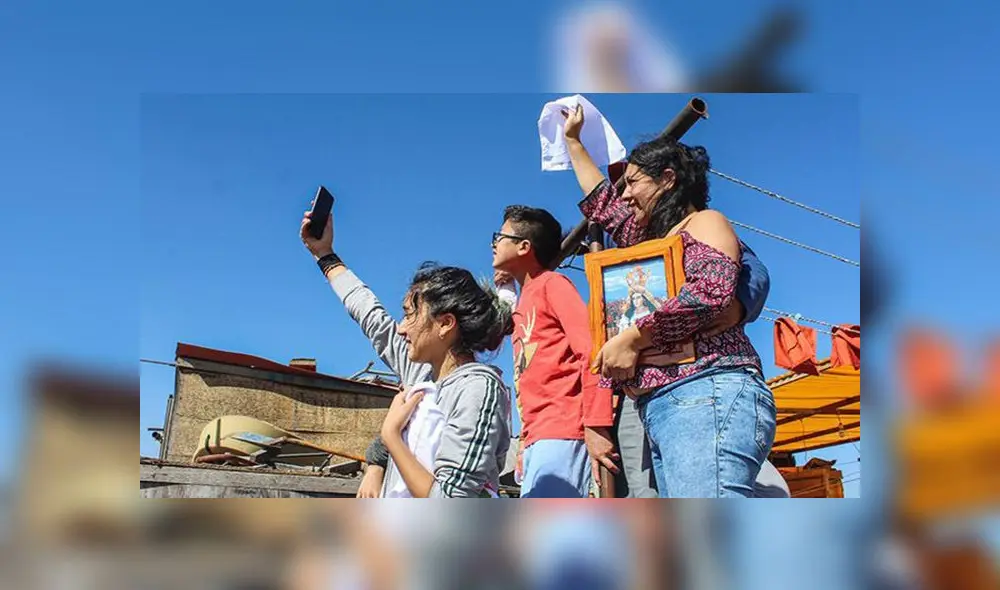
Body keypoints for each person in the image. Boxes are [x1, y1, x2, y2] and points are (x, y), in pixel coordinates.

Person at [561, 104, 777, 498]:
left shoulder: (704, 222)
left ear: (667, 179)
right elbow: (602, 202)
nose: (623, 195)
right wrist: (573, 142)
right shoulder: (650, 242)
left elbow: (710, 291)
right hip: (669, 406)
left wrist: (631, 340)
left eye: (631, 183)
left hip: (705, 391)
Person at [300, 207, 512, 498]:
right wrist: (325, 255)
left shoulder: (477, 389)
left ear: (445, 324)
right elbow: (369, 314)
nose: (401, 328)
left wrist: (391, 437)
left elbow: (450, 501)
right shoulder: (421, 374)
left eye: (410, 315)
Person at [491, 205, 617, 498]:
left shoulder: (553, 285)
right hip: (536, 435)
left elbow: (591, 352)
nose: (494, 244)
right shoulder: (524, 300)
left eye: (500, 236)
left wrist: (596, 424)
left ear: (524, 247)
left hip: (562, 429)